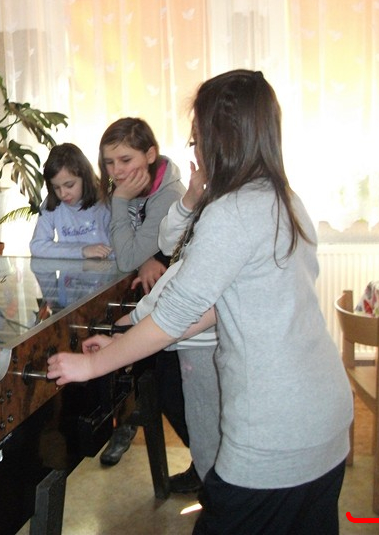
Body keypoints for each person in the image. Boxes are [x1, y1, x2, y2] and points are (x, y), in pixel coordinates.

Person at [48, 70, 353, 534]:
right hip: (325, 413)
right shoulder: (283, 197)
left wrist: (93, 365)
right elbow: (215, 306)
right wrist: (124, 342)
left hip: (275, 428)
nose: (195, 150)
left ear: (220, 139)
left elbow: (175, 315)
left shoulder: (232, 212)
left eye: (197, 139)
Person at [115, 159, 220, 492]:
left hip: (203, 341)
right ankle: (205, 473)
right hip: (186, 341)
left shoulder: (230, 206)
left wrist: (134, 321)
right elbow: (170, 242)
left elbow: (183, 278)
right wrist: (191, 198)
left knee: (209, 422)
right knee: (198, 420)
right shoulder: (202, 196)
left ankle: (213, 487)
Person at [96, 117, 191, 477]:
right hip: (152, 300)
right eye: (109, 162)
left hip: (178, 310)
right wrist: (144, 258)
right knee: (155, 386)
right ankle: (124, 426)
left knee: (172, 393)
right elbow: (133, 253)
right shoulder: (134, 185)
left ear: (150, 155)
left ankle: (207, 470)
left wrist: (120, 202)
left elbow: (126, 256)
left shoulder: (168, 194)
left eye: (125, 160)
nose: (116, 171)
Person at [29, 143, 113, 259]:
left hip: (104, 267)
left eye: (69, 185)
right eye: (56, 187)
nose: (63, 194)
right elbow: (37, 246)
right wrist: (81, 251)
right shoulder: (52, 203)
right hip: (70, 269)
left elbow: (120, 250)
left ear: (85, 178)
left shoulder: (104, 202)